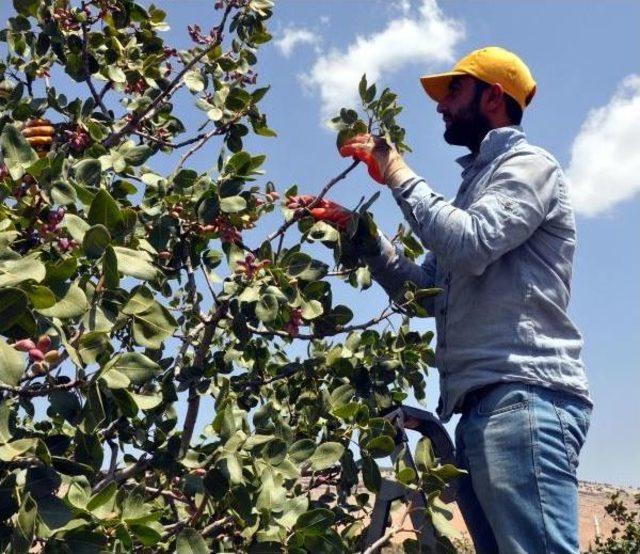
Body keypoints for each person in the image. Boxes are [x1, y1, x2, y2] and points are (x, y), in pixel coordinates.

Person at [287, 46, 592, 553]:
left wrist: (396, 171)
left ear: (493, 96)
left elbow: (468, 244)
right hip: (483, 408)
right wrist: (358, 231)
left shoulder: (530, 166)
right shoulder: (474, 191)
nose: (439, 106)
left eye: (453, 90)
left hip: (524, 399)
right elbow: (421, 295)